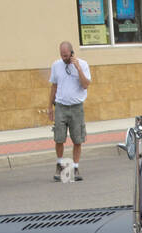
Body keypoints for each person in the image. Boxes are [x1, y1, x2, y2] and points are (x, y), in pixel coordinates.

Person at [48, 41, 91, 181]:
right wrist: (50, 107)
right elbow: (53, 86)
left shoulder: (83, 65)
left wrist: (77, 67)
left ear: (72, 53)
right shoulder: (56, 66)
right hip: (61, 106)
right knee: (59, 138)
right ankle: (60, 165)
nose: (64, 58)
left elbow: (85, 85)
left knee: (77, 139)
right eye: (62, 55)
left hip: (76, 107)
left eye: (66, 55)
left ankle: (75, 167)